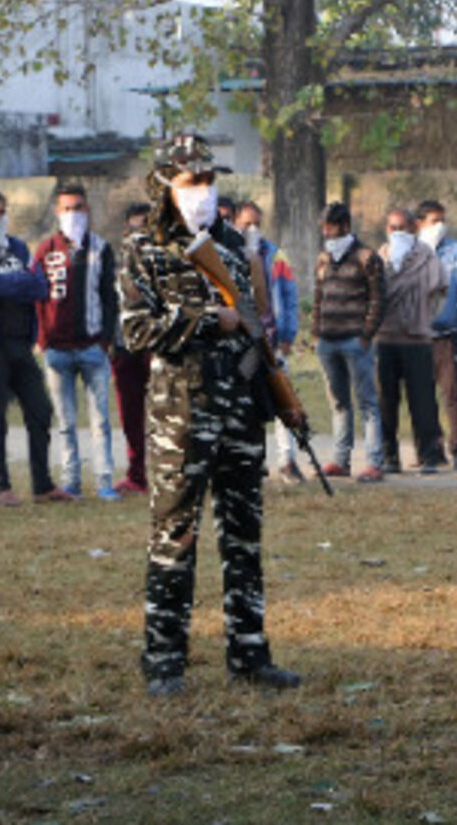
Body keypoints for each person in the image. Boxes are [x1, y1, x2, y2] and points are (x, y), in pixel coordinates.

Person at [120, 134, 300, 697]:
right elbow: (134, 331)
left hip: (240, 411)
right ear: (164, 186)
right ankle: (164, 663)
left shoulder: (235, 248)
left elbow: (252, 330)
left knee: (243, 539)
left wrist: (276, 393)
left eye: (208, 180)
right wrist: (206, 321)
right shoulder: (143, 249)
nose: (202, 191)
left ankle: (250, 656)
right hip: (181, 414)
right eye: (191, 181)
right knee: (175, 537)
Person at [0, 188, 70, 507]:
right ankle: (1, 486)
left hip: (21, 343)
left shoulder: (18, 247)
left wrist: (15, 284)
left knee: (40, 410)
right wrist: (18, 283)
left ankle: (42, 484)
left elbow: (40, 286)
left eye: (1, 212)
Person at [34, 184, 120, 500]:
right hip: (57, 350)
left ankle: (104, 481)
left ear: (88, 210)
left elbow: (110, 297)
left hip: (92, 347)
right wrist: (43, 340)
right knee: (66, 423)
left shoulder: (101, 248)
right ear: (57, 212)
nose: (73, 214)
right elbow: (37, 298)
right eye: (67, 208)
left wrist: (106, 340)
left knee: (101, 421)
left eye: (79, 207)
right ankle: (71, 480)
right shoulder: (46, 251)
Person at [313, 201, 386, 483]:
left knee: (367, 402)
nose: (326, 232)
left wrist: (366, 335)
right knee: (339, 403)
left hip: (355, 342)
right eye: (324, 227)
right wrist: (316, 330)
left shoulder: (367, 257)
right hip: (327, 341)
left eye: (331, 226)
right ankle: (341, 460)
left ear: (345, 226)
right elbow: (318, 295)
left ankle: (373, 462)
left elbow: (379, 300)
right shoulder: (324, 257)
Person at [233, 201, 303, 484]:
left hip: (271, 341)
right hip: (244, 344)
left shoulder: (275, 255)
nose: (252, 229)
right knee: (250, 401)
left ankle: (288, 460)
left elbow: (289, 296)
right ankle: (254, 461)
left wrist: (288, 335)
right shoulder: (229, 255)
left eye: (256, 224)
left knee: (283, 397)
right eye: (246, 223)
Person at [375, 207, 447, 475]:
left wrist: (424, 318)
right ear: (386, 230)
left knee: (423, 401)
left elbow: (440, 291)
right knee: (386, 401)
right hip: (387, 337)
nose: (398, 233)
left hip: (417, 339)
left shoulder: (426, 257)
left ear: (413, 229)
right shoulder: (379, 257)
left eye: (403, 227)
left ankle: (428, 455)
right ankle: (389, 456)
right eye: (393, 228)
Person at [416, 200, 457, 472]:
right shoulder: (410, 253)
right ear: (419, 224)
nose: (439, 226)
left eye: (443, 220)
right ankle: (431, 450)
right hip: (416, 336)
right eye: (433, 221)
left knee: (453, 392)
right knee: (422, 396)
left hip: (446, 334)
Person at [110, 201, 155, 494]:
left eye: (145, 227)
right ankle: (136, 473)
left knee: (167, 411)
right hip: (124, 345)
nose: (139, 234)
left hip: (157, 342)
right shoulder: (115, 263)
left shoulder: (165, 263)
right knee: (130, 413)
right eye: (134, 227)